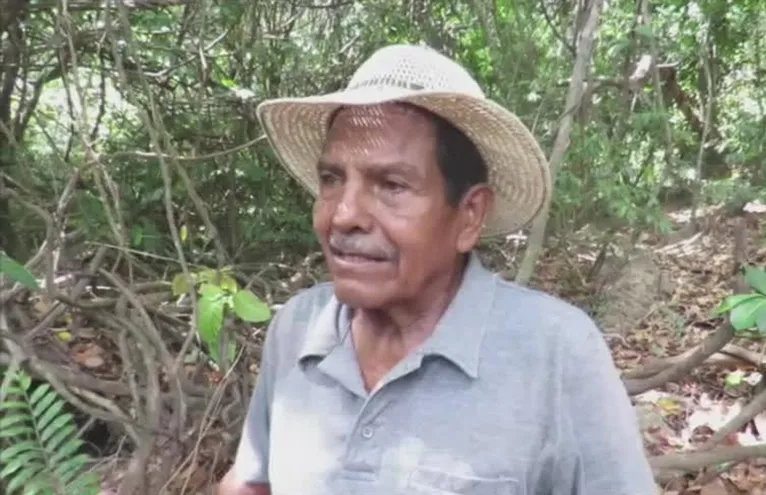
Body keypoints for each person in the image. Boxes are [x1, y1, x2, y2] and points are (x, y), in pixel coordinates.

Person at [217, 44, 657, 495]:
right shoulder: (298, 328)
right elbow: (251, 482)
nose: (344, 214)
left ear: (469, 216)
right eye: (332, 179)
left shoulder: (557, 353)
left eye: (391, 185)